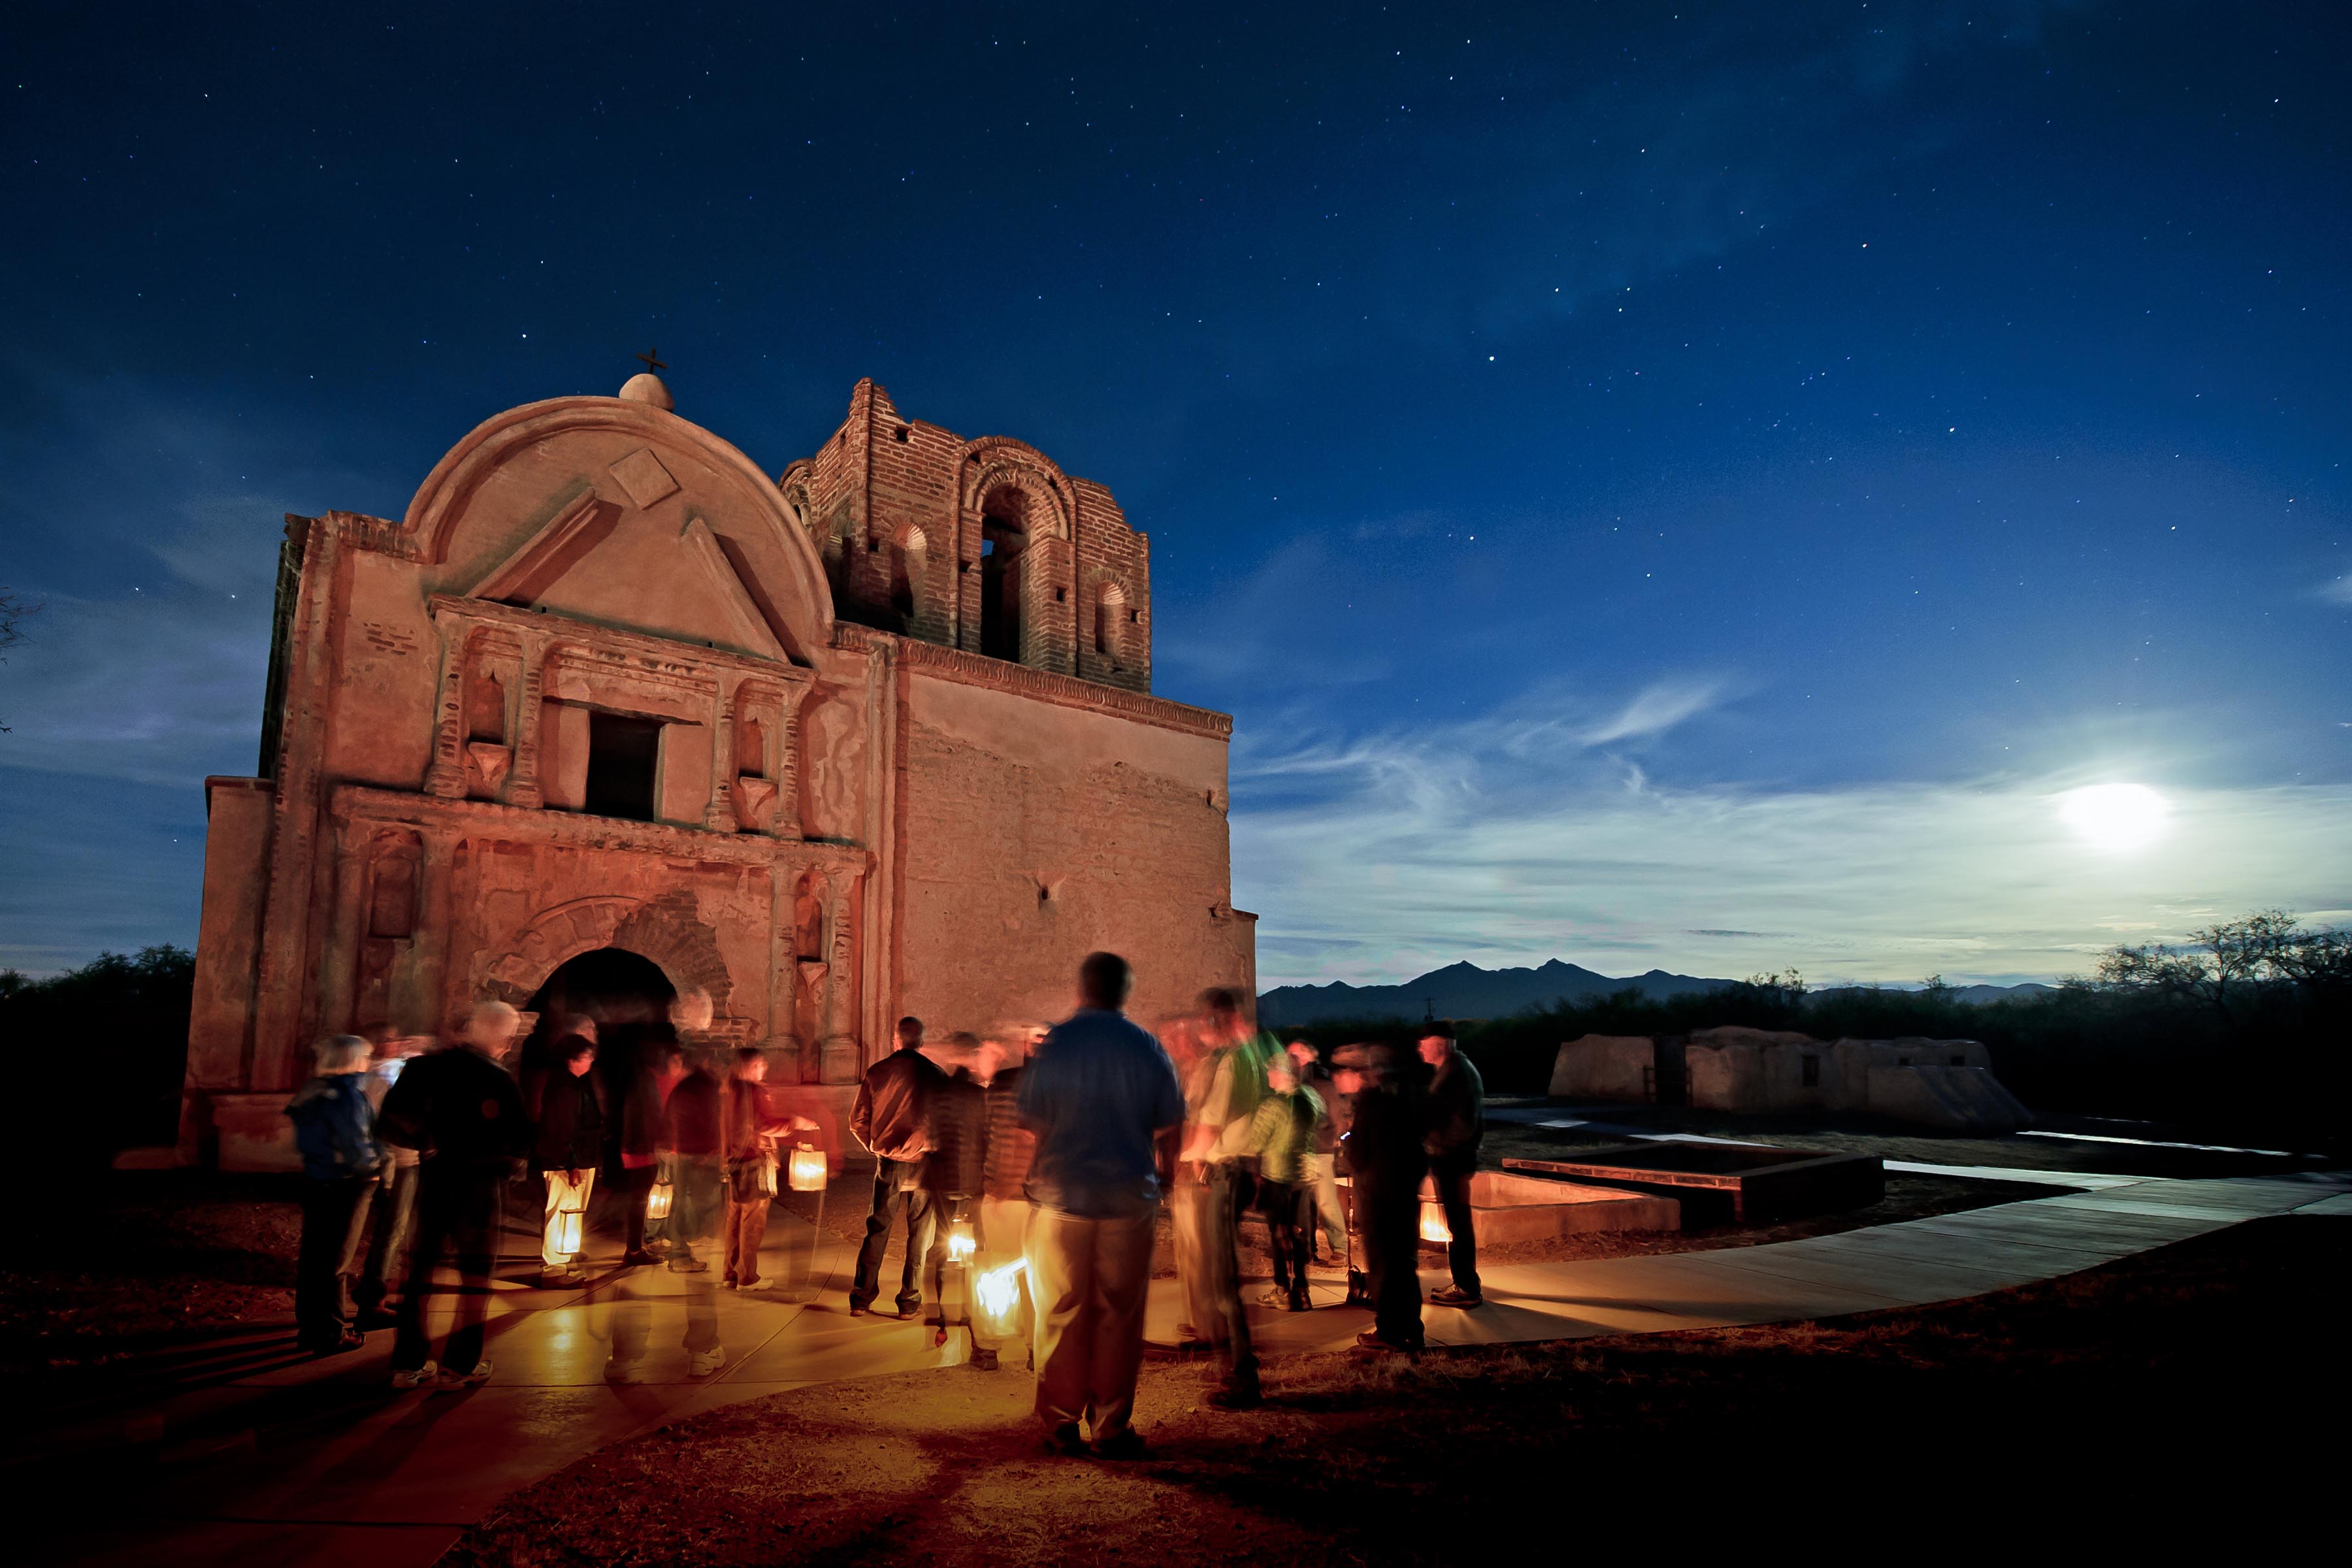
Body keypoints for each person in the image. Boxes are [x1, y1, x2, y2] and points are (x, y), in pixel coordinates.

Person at [1020, 952, 1185, 1460]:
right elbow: (1170, 1120)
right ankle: (1111, 1426)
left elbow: (1032, 1116)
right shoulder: (1147, 1048)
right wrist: (1166, 1174)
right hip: (1127, 1195)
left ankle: (1060, 1423)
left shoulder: (1056, 1044)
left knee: (1059, 1309)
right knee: (1119, 1313)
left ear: (1081, 989)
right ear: (1125, 993)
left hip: (1063, 1195)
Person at [380, 1000, 531, 1390]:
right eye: (509, 1039)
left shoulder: (425, 1069)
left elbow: (392, 1120)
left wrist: (427, 1143)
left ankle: (408, 1362)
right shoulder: (498, 1079)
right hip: (480, 1188)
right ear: (503, 1038)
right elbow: (520, 1140)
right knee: (475, 1277)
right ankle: (459, 1366)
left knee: (421, 1272)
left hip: (435, 1180)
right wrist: (510, 1162)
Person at [1173, 987, 1273, 1409]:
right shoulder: (1245, 1059)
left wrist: (1187, 1154)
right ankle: (1237, 1365)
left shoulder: (1233, 1062)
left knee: (1222, 1276)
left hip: (1227, 1172)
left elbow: (1211, 1122)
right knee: (1221, 1274)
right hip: (1237, 1169)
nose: (1202, 1030)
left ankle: (1242, 1374)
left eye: (1207, 1021)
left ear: (1219, 1022)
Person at [286, 1034, 384, 1354]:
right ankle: (331, 1333)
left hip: (316, 1179)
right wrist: (373, 1168)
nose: (368, 1062)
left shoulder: (313, 1091)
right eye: (366, 1056)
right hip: (347, 1184)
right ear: (353, 1059)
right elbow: (357, 1140)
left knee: (314, 1257)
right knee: (337, 1261)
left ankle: (310, 1329)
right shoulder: (349, 1095)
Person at [848, 1016, 944, 1317]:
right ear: (922, 1041)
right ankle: (908, 1301)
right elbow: (945, 1122)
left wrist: (876, 1146)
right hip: (925, 1164)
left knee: (877, 1228)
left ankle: (862, 1300)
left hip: (889, 1163)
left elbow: (857, 1121)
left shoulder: (878, 1072)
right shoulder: (936, 1075)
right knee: (920, 1235)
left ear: (896, 1040)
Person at [1335, 1043, 1426, 1354]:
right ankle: (1411, 1329)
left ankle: (1390, 1333)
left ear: (1360, 1074)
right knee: (1403, 1264)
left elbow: (1361, 1156)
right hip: (1399, 1195)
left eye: (1344, 1071)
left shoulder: (1374, 1106)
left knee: (1385, 1265)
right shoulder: (1398, 1100)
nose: (1339, 1078)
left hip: (1381, 1198)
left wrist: (1348, 1142)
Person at [972, 1024, 1041, 1371]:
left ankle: (988, 1347)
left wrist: (996, 1190)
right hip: (1042, 1200)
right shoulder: (1063, 1090)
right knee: (1037, 1276)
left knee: (994, 1270)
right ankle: (1035, 1348)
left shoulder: (1003, 1087)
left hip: (1007, 1197)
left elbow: (994, 1141)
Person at [919, 1032, 990, 1349]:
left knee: (940, 1246)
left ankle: (940, 1317)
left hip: (942, 1179)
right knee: (977, 1249)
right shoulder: (978, 1095)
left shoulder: (938, 1092)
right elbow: (985, 1139)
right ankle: (972, 1315)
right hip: (972, 1181)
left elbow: (931, 1136)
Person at [721, 1046, 807, 1296]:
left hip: (734, 1161)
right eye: (760, 1064)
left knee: (735, 1218)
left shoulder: (728, 1091)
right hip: (752, 1160)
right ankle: (747, 1276)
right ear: (748, 1066)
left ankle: (730, 1273)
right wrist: (795, 1123)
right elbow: (763, 1125)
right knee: (753, 1220)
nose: (765, 1068)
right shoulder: (753, 1091)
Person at [525, 1024, 606, 1284]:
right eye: (586, 1057)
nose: (591, 1061)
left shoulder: (574, 1084)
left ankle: (563, 1261)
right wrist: (569, 1164)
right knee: (561, 1212)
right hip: (566, 1162)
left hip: (579, 1159)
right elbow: (561, 1129)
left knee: (570, 1214)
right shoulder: (564, 1088)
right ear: (571, 1060)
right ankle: (554, 1269)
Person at [1245, 1054, 1324, 1313]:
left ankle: (1282, 1289)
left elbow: (1255, 1142)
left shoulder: (1274, 1106)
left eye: (1271, 1071)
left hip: (1278, 1176)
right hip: (1305, 1175)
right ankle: (1302, 1290)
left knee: (1279, 1234)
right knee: (1299, 1234)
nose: (1268, 1075)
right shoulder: (1310, 1098)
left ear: (1283, 1074)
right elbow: (1322, 1123)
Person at [355, 1028, 425, 1322]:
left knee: (394, 1231)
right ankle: (372, 1302)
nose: (399, 1044)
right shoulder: (379, 1080)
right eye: (392, 1039)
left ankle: (376, 1294)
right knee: (391, 1231)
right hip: (398, 1162)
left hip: (400, 1161)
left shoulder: (383, 1076)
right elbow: (383, 1124)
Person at [1420, 1025, 1486, 1309]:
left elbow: (1462, 1123)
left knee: (1459, 1223)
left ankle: (1467, 1287)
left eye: (1424, 1044)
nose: (1420, 1049)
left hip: (1454, 1159)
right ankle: (1463, 1283)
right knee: (1457, 1223)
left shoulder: (1458, 1073)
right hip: (1452, 1158)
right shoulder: (1453, 1070)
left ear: (1441, 1044)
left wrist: (1437, 1145)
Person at [616, 1037, 685, 1266]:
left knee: (646, 1198)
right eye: (674, 1061)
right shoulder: (647, 1083)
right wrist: (650, 1147)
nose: (678, 1067)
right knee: (641, 1200)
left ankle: (638, 1246)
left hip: (645, 1148)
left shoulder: (645, 1080)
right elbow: (645, 1118)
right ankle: (635, 1250)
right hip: (643, 1149)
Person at [1286, 1039, 1350, 1268]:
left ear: (1307, 1057)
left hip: (1319, 1150)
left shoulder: (1322, 1086)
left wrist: (1317, 1134)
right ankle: (1306, 1248)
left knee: (1325, 1201)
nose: (1288, 1057)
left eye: (1293, 1053)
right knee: (1304, 1204)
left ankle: (1340, 1248)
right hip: (1301, 1151)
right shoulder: (1297, 1083)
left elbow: (1335, 1120)